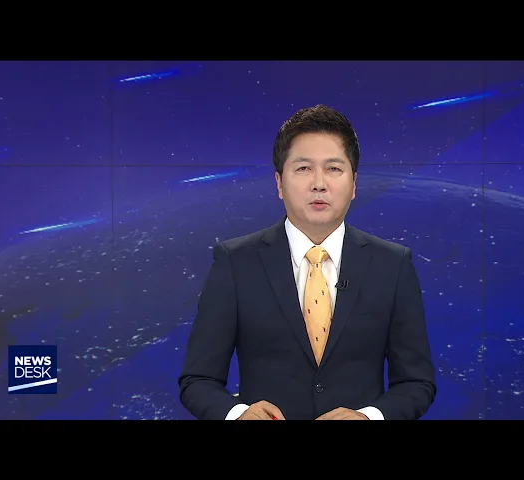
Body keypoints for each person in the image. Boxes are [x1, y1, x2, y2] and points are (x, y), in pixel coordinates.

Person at [178, 104, 436, 420]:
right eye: (303, 168)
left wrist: (369, 417)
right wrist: (237, 413)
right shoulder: (235, 262)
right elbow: (197, 380)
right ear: (279, 183)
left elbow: (416, 383)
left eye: (334, 169)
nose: (319, 183)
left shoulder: (392, 265)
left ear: (354, 184)